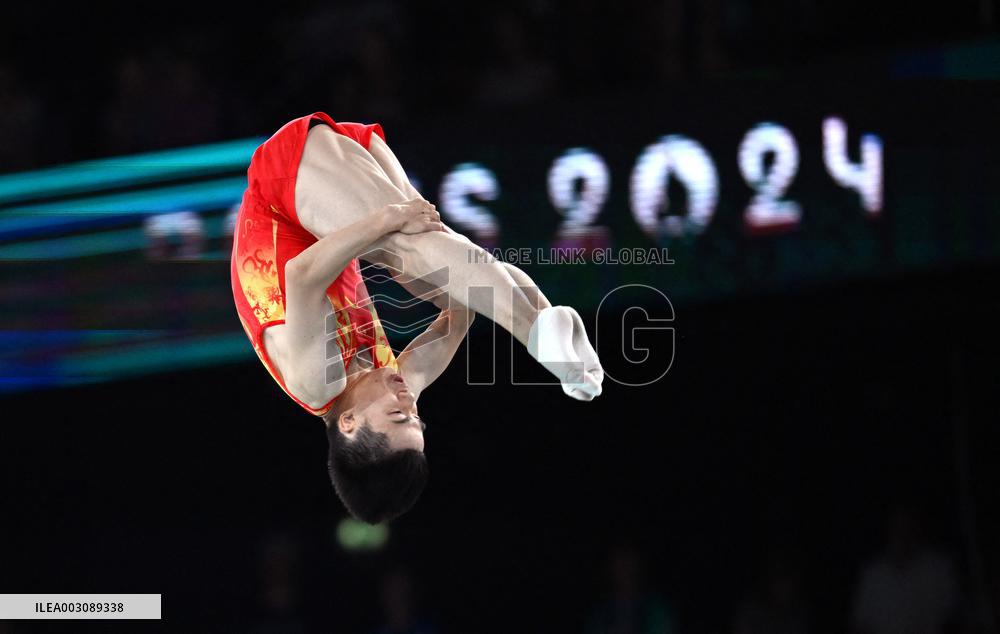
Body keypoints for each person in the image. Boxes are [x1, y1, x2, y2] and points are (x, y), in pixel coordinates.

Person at [231, 112, 603, 524]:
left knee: (405, 247)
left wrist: (383, 220)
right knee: (439, 273)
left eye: (397, 416)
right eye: (416, 419)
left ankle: (539, 335)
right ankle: (548, 323)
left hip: (281, 191)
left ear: (350, 423)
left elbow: (300, 277)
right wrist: (516, 304)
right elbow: (458, 312)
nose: (408, 402)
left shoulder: (316, 382)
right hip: (328, 192)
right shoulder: (390, 386)